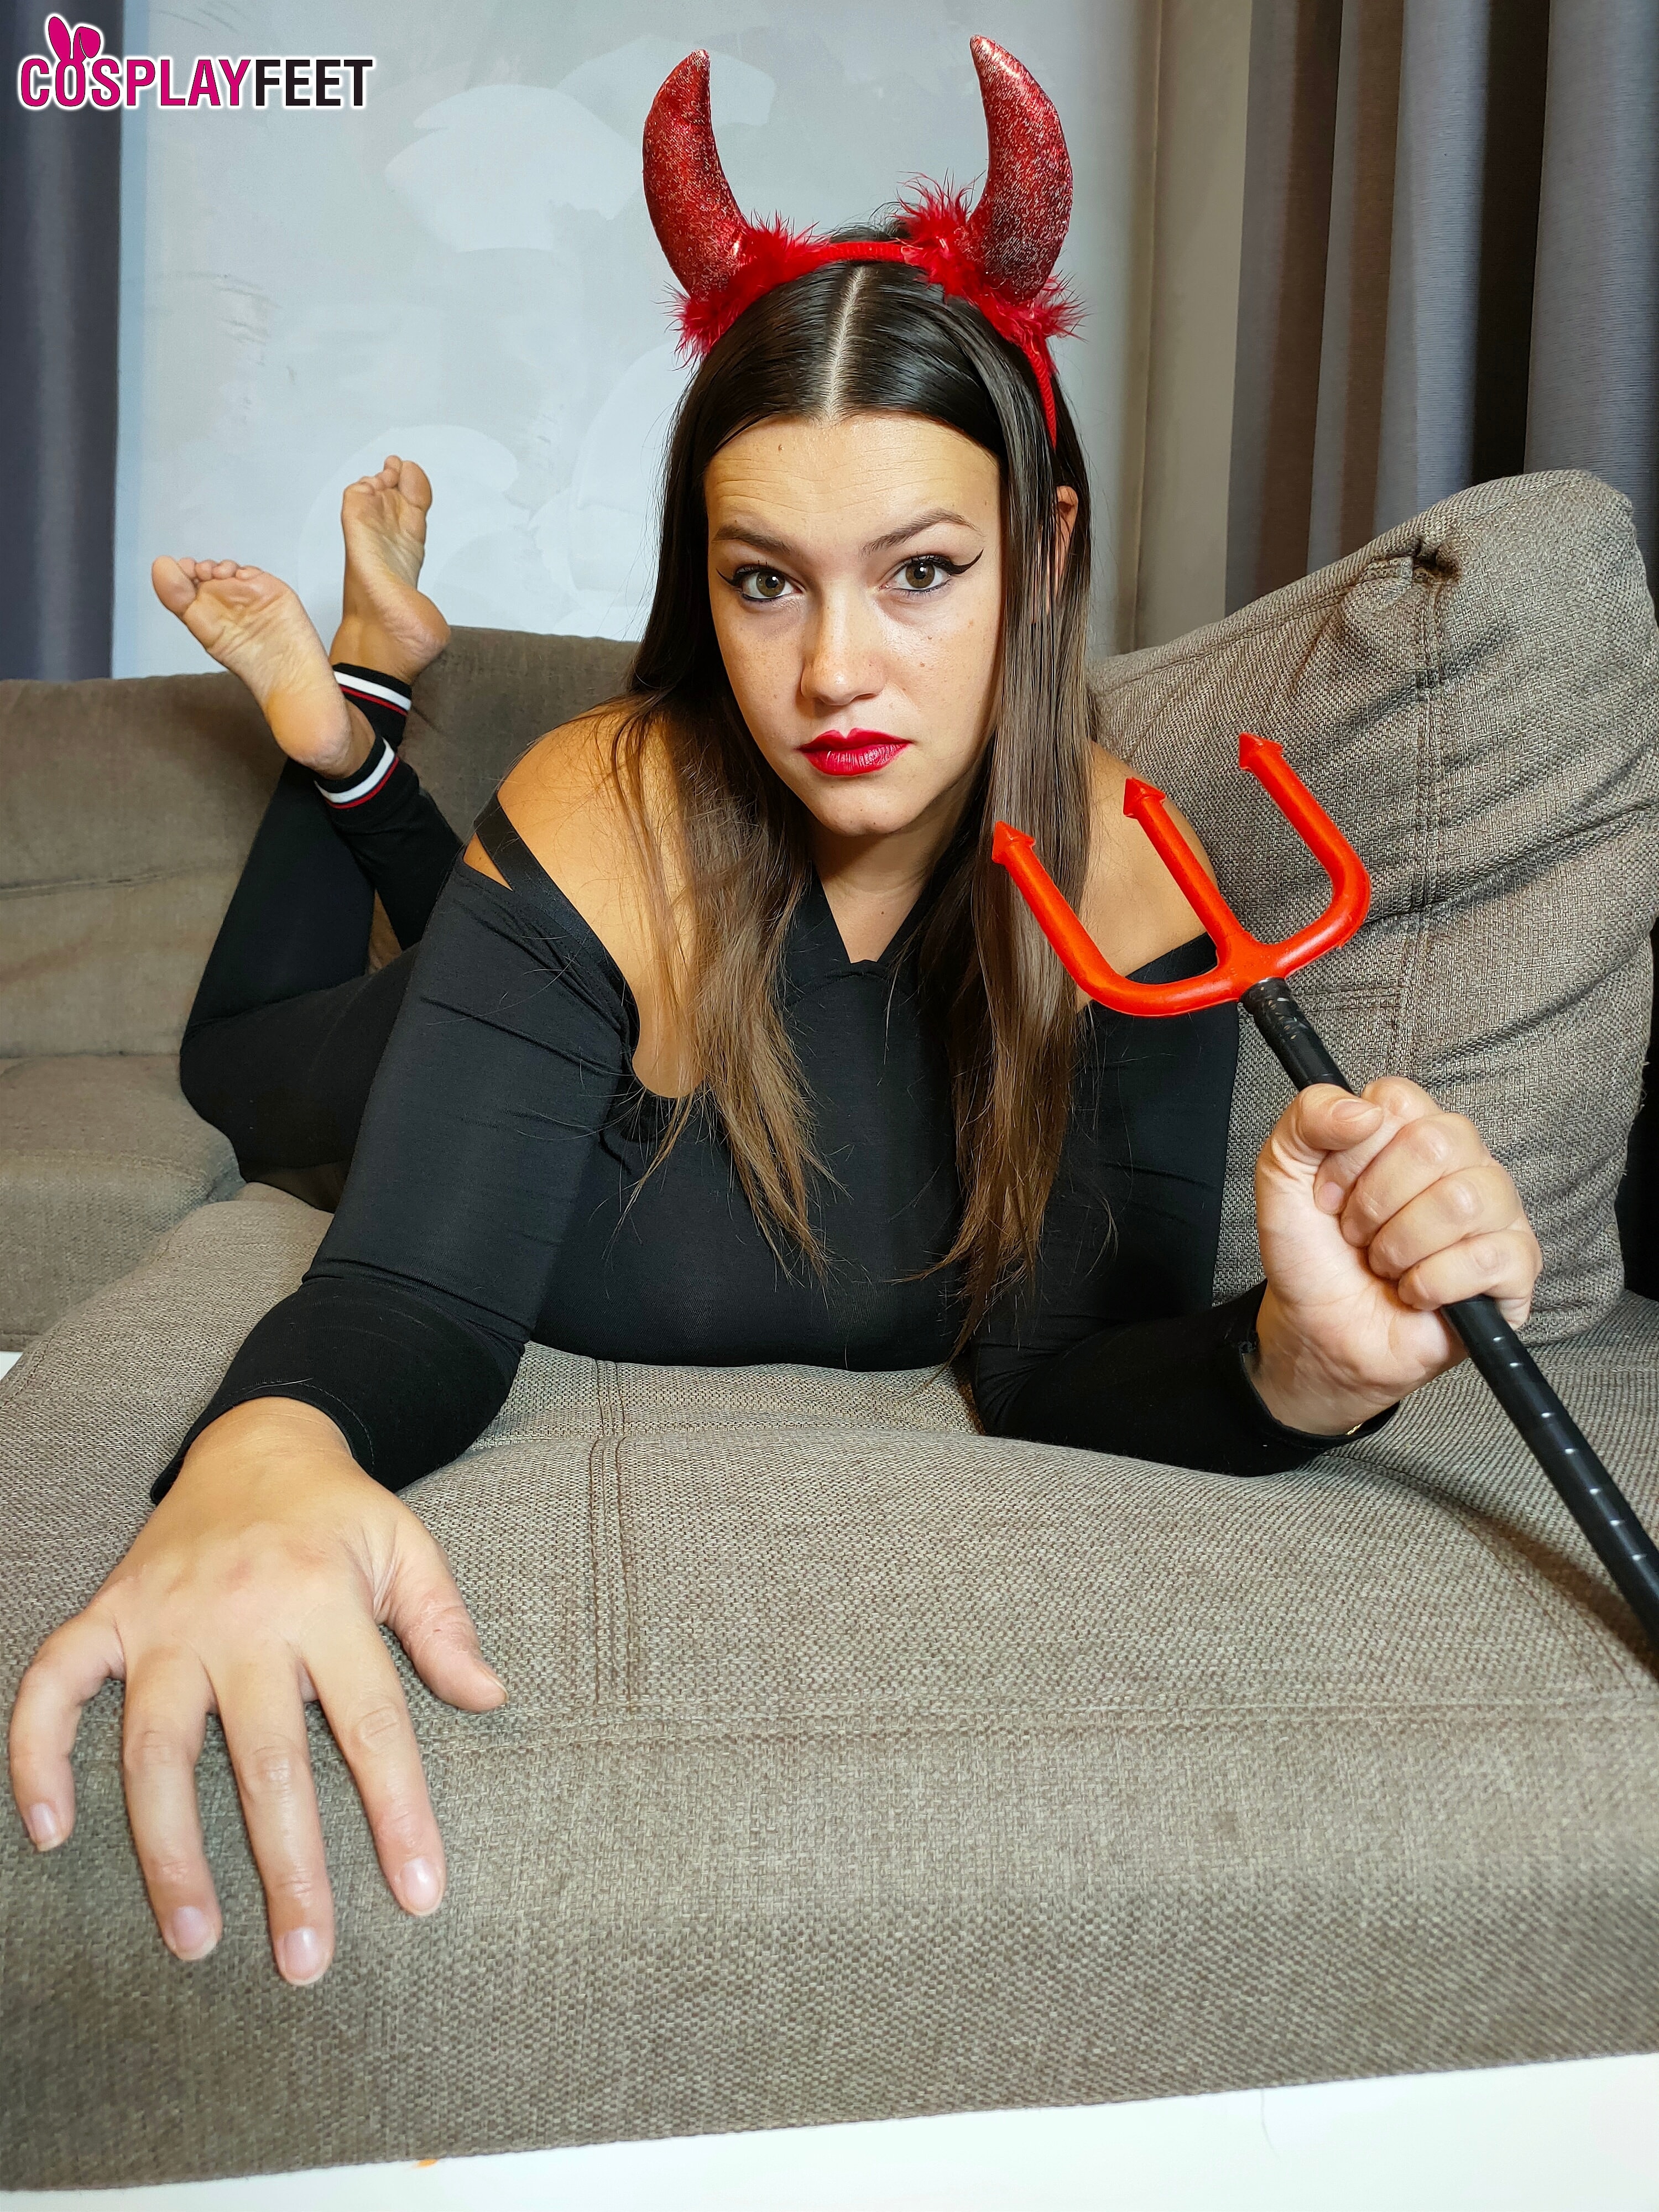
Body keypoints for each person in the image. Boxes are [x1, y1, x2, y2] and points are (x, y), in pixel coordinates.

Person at [7, 43, 1541, 1988]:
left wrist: (1300, 1369)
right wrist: (263, 1454)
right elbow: (410, 1296)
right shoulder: (610, 800)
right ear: (707, 587)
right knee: (243, 1070)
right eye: (765, 585)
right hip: (499, 1018)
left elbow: (1063, 1367)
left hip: (581, 962)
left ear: (1047, 551)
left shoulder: (1138, 900)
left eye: (924, 574)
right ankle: (354, 721)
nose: (834, 674)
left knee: (458, 957)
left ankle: (371, 720)